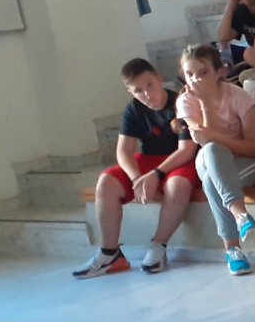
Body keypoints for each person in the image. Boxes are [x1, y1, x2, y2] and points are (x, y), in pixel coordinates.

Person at [73, 59, 201, 279]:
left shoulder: (180, 103)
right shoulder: (134, 109)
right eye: (138, 90)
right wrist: (137, 180)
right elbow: (124, 151)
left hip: (179, 161)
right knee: (106, 182)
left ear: (159, 78)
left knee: (177, 185)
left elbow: (186, 150)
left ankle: (159, 245)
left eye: (150, 85)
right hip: (149, 161)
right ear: (130, 92)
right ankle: (110, 253)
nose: (147, 94)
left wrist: (155, 174)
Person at [178, 45, 255, 277]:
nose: (196, 79)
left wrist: (218, 141)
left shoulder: (239, 96)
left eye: (203, 73)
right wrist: (205, 103)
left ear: (219, 71)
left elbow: (253, 146)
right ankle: (240, 215)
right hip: (211, 160)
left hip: (248, 161)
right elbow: (205, 143)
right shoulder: (186, 101)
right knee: (212, 154)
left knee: (212, 179)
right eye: (190, 74)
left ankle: (233, 249)